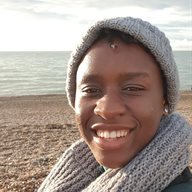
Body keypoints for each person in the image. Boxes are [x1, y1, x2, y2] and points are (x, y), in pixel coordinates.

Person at [38, 17, 192, 192]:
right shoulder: (72, 173)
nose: (108, 110)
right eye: (90, 90)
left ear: (164, 99)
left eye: (133, 88)